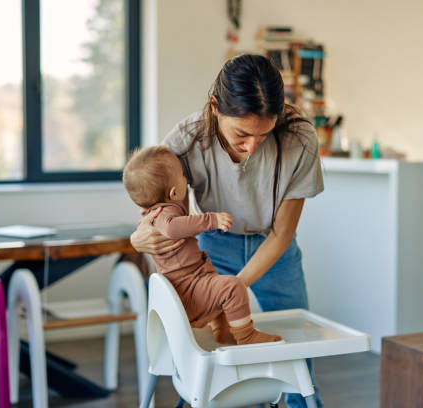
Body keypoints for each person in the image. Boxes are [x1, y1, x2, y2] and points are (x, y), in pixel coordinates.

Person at [130, 53, 324, 408]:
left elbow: (282, 233)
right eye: (242, 134)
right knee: (203, 351)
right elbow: (154, 196)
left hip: (274, 249)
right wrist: (138, 235)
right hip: (211, 250)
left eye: (264, 134)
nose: (253, 147)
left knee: (297, 354)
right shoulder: (189, 137)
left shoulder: (299, 138)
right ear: (216, 107)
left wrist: (229, 292)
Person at [123, 145, 281, 345]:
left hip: (194, 279)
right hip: (189, 288)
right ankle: (247, 336)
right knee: (232, 287)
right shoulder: (164, 214)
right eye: (182, 175)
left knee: (221, 289)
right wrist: (211, 220)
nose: (186, 179)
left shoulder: (157, 210)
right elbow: (172, 228)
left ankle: (222, 330)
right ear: (173, 193)